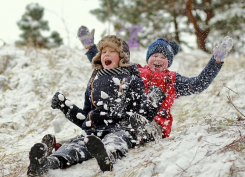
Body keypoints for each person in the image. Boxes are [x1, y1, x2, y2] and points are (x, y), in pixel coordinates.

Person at [27, 35, 165, 177]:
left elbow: (140, 113)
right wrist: (65, 107)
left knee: (115, 140)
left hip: (120, 129)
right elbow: (85, 117)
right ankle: (47, 163)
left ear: (123, 57)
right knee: (74, 147)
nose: (106, 54)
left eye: (112, 51)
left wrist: (153, 104)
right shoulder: (93, 83)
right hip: (93, 132)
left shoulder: (132, 80)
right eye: (103, 52)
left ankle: (107, 157)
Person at [78, 26, 233, 138]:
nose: (158, 59)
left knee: (143, 128)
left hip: (156, 123)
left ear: (169, 62)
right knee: (115, 124)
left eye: (163, 57)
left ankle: (139, 132)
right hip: (130, 117)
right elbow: (109, 63)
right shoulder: (135, 71)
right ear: (148, 58)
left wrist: (216, 61)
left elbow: (199, 84)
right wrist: (91, 48)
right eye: (155, 55)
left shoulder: (172, 80)